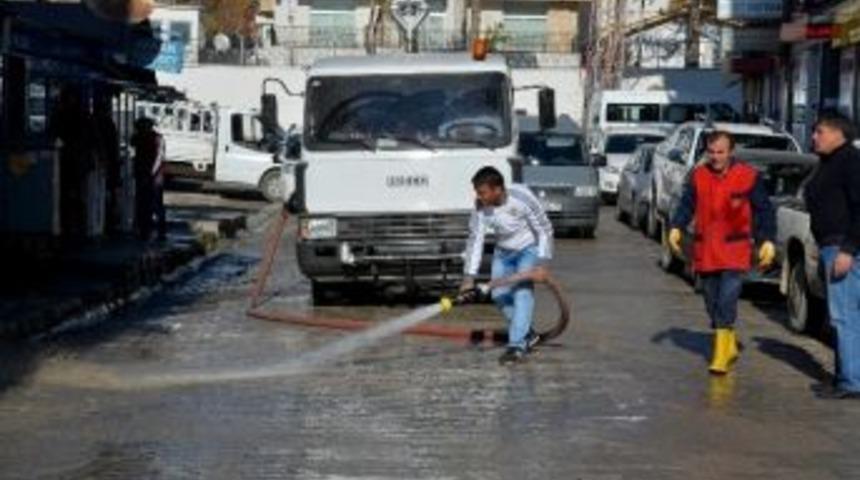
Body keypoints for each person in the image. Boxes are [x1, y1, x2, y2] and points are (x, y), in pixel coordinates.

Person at [669, 131, 776, 374]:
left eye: (721, 152)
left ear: (731, 152)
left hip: (735, 249)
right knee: (711, 300)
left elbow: (764, 211)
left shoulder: (748, 177)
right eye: (712, 152)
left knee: (727, 298)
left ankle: (720, 355)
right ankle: (728, 340)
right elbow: (686, 204)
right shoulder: (698, 176)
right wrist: (676, 226)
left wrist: (767, 239)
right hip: (706, 249)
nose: (716, 157)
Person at [461, 166, 554, 365]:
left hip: (528, 250)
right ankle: (527, 334)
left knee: (522, 293)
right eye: (478, 192)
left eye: (483, 192)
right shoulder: (480, 207)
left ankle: (516, 346)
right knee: (498, 295)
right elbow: (475, 240)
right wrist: (468, 278)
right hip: (503, 253)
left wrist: (543, 264)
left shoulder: (522, 198)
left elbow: (545, 230)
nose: (479, 197)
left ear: (498, 189)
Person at [805, 112, 860, 400]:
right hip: (831, 245)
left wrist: (848, 250)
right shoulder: (829, 162)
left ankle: (851, 382)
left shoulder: (850, 160)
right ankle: (845, 375)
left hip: (843, 248)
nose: (814, 136)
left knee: (844, 316)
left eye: (820, 131)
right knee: (844, 316)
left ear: (839, 133)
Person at [131, 117, 167, 241]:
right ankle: (144, 230)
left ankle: (157, 231)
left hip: (153, 175)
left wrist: (151, 173)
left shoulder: (156, 138)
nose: (141, 129)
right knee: (144, 203)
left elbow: (159, 157)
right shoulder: (140, 137)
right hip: (146, 174)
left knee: (153, 203)